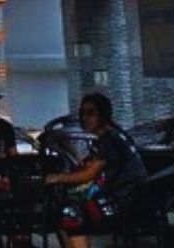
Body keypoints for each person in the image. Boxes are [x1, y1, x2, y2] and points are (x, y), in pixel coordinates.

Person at [47, 92, 146, 248]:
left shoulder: (109, 139)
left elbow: (89, 175)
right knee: (64, 208)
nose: (85, 118)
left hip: (124, 201)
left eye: (91, 113)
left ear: (103, 114)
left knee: (70, 213)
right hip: (131, 197)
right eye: (82, 113)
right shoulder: (114, 134)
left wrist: (57, 177)